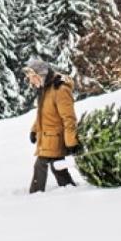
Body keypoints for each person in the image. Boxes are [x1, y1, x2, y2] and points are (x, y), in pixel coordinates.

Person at [24, 59, 80, 193]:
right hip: (47, 137)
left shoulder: (59, 90)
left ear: (41, 75)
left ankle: (35, 195)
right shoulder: (45, 90)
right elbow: (43, 116)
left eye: (33, 78)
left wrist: (71, 141)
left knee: (40, 165)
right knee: (58, 167)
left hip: (56, 138)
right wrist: (34, 130)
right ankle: (69, 189)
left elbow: (68, 118)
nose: (31, 82)